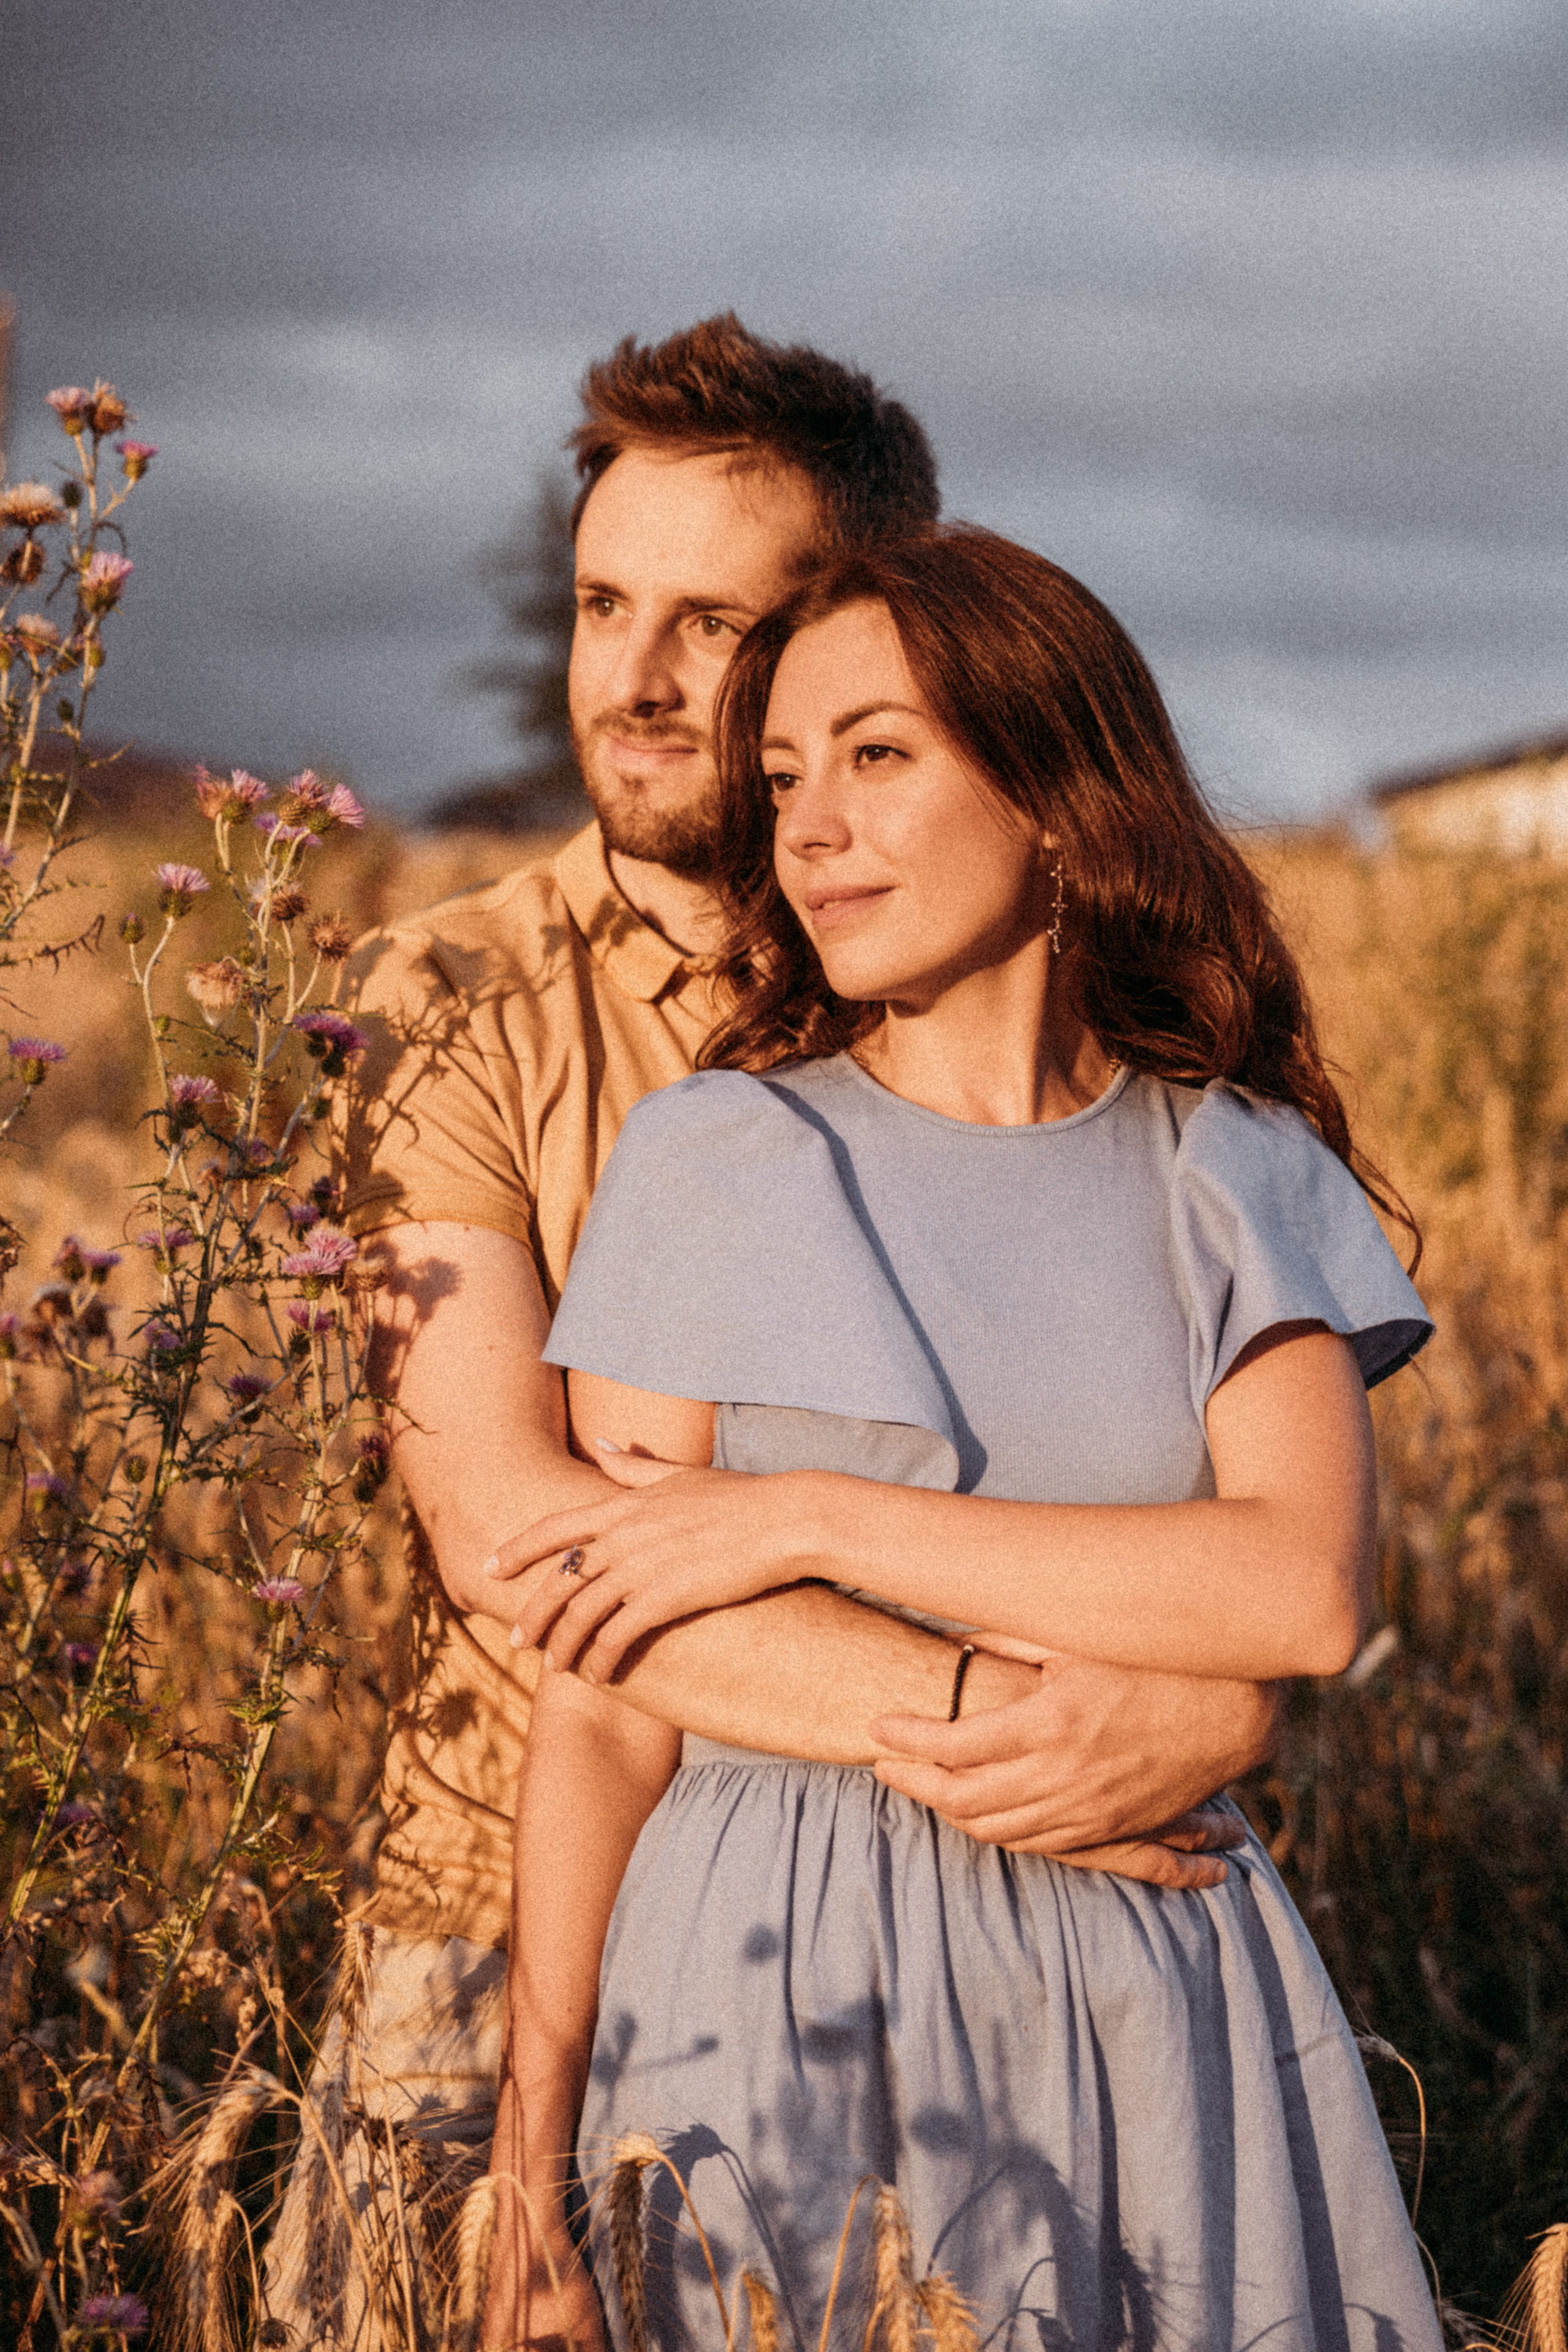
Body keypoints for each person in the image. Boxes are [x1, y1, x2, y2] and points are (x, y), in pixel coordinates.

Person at [262, 318, 1275, 2346]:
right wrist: (1091, 1711)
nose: (633, 682)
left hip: (1014, 1922)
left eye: (710, 625)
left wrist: (1220, 1691)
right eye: (601, 606)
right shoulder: (448, 1001)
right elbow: (527, 1548)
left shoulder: (1042, 1018)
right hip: (501, 1929)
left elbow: (1223, 1492)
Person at [485, 529, 1441, 2349]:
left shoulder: (1231, 1171)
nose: (812, 828)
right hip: (767, 2011)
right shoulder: (717, 1159)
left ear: (1060, 797)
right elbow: (605, 1696)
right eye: (784, 779)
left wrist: (807, 1517)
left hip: (1147, 2008)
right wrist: (529, 2169)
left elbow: (1301, 1590)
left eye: (877, 754)